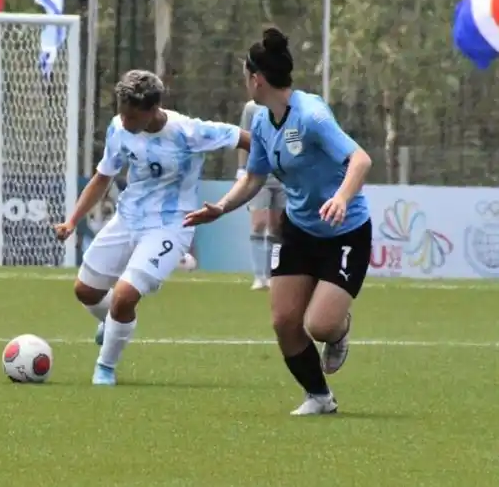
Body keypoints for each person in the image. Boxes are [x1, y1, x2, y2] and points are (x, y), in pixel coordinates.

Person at [184, 28, 373, 415]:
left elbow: (361, 160)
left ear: (257, 78)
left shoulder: (312, 116)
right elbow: (254, 178)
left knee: (319, 325)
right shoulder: (263, 121)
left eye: (244, 77)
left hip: (345, 231)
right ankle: (319, 397)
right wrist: (220, 207)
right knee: (285, 322)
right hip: (299, 230)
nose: (244, 84)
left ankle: (338, 329)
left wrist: (340, 198)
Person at [54, 69, 251, 386]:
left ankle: (105, 367)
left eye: (133, 116)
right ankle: (114, 321)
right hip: (128, 217)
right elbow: (104, 176)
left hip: (171, 225)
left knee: (123, 297)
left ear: (152, 110)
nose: (126, 121)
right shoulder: (119, 128)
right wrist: (72, 220)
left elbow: (246, 139)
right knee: (85, 290)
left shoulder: (187, 132)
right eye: (122, 113)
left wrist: (270, 166)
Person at [237, 100, 285, 290]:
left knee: (277, 227)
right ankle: (259, 276)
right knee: (259, 223)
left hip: (283, 175)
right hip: (258, 173)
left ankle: (273, 274)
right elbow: (243, 139)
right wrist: (241, 169)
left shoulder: (289, 105)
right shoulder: (251, 108)